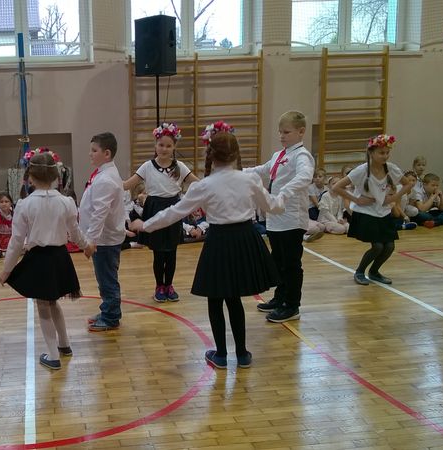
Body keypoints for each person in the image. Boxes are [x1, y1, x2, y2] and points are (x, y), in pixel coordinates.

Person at [130, 124, 285, 369]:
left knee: (216, 298)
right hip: (245, 240)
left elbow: (174, 213)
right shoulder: (250, 179)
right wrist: (287, 194)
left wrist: (145, 225)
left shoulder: (205, 185)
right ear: (236, 153)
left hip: (219, 242)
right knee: (234, 298)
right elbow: (273, 206)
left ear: (210, 154)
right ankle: (242, 353)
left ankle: (221, 354)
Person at [0, 151, 91, 370]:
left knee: (43, 305)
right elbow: (75, 232)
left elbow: (16, 242)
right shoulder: (67, 202)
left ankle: (53, 355)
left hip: (39, 259)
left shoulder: (25, 205)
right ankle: (64, 344)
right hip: (60, 257)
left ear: (30, 177)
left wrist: (6, 270)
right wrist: (86, 245)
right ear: (57, 176)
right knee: (52, 302)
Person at [244, 111, 315, 323]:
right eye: (280, 132)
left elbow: (305, 176)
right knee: (278, 261)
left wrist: (284, 192)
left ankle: (292, 305)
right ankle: (280, 297)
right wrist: (237, 172)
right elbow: (262, 171)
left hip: (292, 219)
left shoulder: (302, 156)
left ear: (301, 132)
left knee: (291, 263)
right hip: (275, 218)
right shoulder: (279, 155)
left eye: (286, 132)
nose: (282, 136)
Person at [123, 123, 199, 303]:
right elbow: (127, 184)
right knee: (158, 253)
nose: (164, 149)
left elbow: (198, 183)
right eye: (161, 145)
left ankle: (169, 285)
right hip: (154, 208)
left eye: (168, 145)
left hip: (173, 208)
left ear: (174, 147)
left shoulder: (180, 166)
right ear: (155, 145)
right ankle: (159, 286)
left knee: (171, 252)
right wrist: (107, 181)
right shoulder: (147, 166)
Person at [332, 134, 412, 286]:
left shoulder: (391, 168)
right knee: (377, 246)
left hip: (383, 212)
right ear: (371, 153)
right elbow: (337, 187)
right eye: (381, 153)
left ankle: (374, 272)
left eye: (387, 153)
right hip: (365, 212)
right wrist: (356, 199)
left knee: (389, 246)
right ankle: (360, 271)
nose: (385, 156)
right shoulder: (361, 170)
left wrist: (394, 197)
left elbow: (408, 184)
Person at [80, 132, 126, 331]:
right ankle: (107, 309)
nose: (90, 154)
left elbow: (100, 212)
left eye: (94, 150)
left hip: (104, 240)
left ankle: (111, 317)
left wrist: (91, 241)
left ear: (106, 153)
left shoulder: (106, 179)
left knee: (107, 280)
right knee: (104, 278)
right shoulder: (103, 174)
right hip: (104, 238)